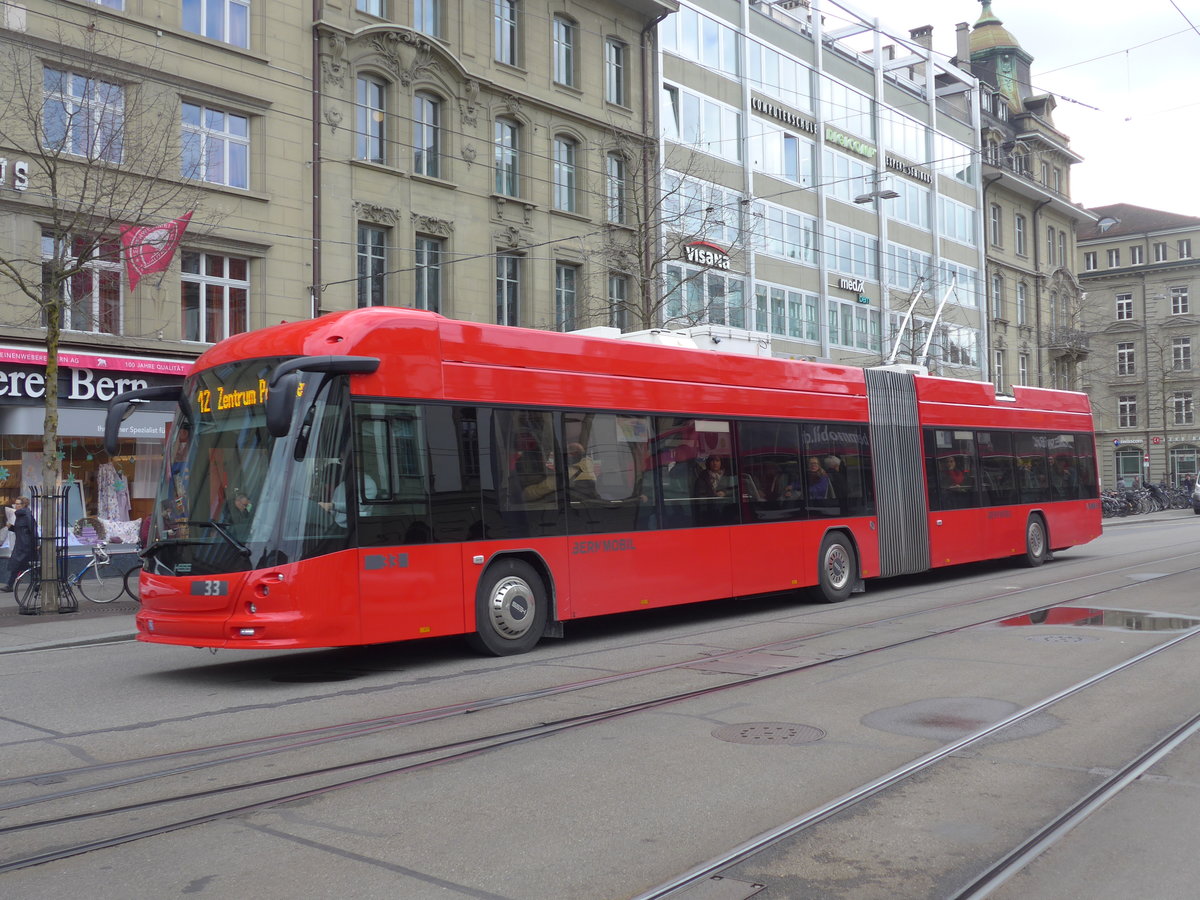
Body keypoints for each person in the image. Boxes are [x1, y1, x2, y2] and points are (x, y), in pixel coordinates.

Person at [2, 497, 38, 594]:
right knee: (18, 565)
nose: (16, 506)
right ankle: (9, 585)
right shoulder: (20, 516)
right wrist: (11, 527)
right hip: (20, 544)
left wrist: (36, 544)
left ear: (23, 505)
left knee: (26, 565)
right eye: (16, 504)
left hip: (26, 546)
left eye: (18, 504)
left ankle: (38, 584)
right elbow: (21, 530)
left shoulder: (27, 516)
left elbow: (33, 530)